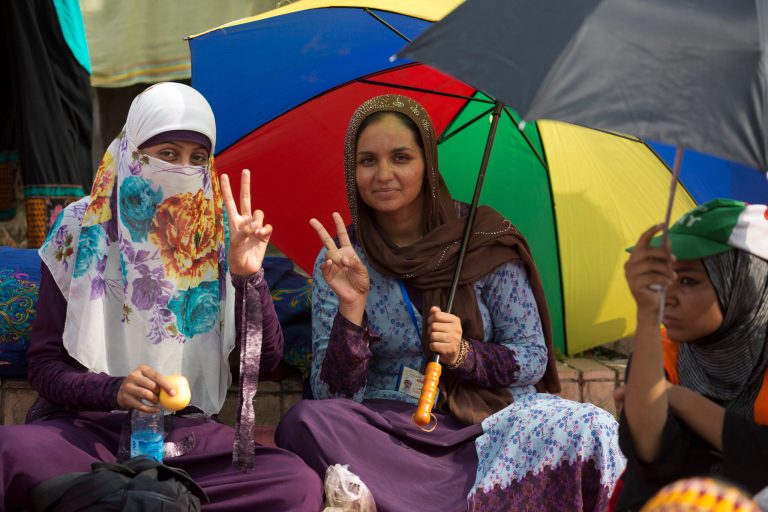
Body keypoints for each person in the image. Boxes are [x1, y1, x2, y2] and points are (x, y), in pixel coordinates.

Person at [276, 94, 624, 511]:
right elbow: (331, 394)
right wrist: (352, 310)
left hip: (492, 423)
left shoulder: (481, 241)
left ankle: (385, 498)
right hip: (395, 429)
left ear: (427, 163)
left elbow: (533, 356)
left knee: (594, 426)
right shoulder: (342, 256)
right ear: (353, 171)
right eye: (367, 161)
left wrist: (465, 353)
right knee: (305, 423)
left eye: (401, 158)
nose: (383, 174)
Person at [0, 82, 323, 511]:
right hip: (88, 432)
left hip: (185, 443)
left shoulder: (221, 235)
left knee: (294, 482)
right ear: (133, 151)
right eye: (167, 154)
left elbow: (264, 362)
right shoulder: (82, 227)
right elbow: (44, 366)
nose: (182, 169)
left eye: (197, 158)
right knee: (9, 451)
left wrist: (250, 279)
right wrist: (113, 390)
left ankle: (138, 496)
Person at [616, 198, 768, 511]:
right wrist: (645, 315)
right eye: (664, 278)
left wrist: (678, 398)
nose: (666, 298)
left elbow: (761, 459)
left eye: (687, 280)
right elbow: (649, 454)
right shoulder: (659, 350)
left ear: (744, 284)